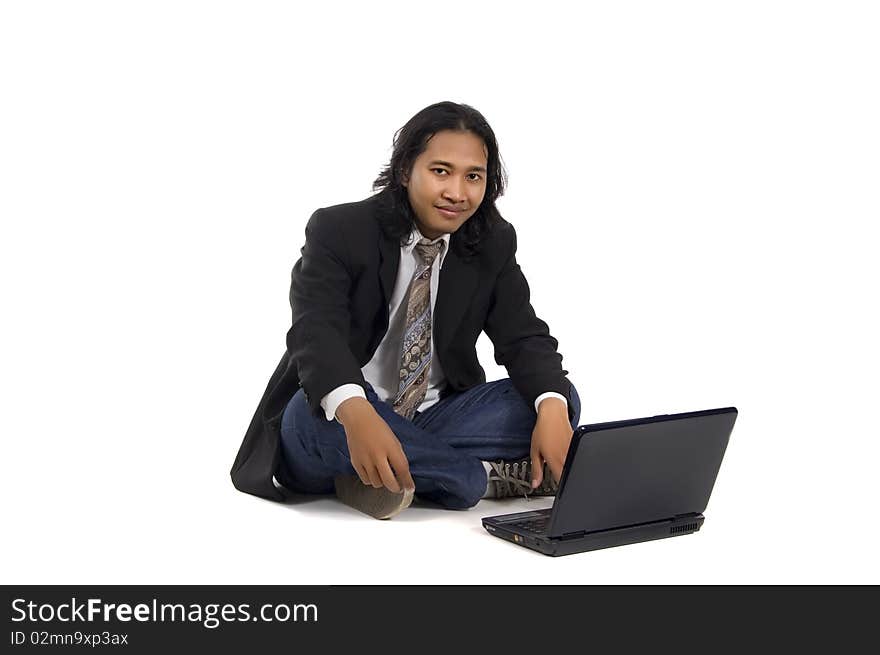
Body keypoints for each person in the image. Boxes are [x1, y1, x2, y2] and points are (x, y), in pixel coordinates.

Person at [230, 101, 581, 519]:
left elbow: (523, 337)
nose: (457, 192)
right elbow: (314, 333)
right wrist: (357, 413)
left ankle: (387, 472)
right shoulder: (339, 230)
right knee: (307, 419)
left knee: (558, 399)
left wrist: (553, 407)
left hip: (433, 418)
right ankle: (476, 479)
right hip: (341, 415)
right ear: (404, 171)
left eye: (473, 176)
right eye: (441, 171)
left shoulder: (491, 241)